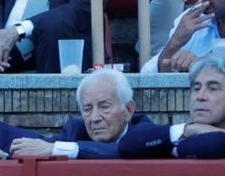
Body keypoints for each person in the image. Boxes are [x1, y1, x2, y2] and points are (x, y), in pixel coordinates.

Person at [10, 66, 145, 158]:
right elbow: (40, 147)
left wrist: (59, 149)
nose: (94, 118)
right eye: (87, 109)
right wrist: (1, 154)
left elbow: (124, 150)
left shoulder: (144, 132)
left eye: (104, 107)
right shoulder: (75, 131)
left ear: (128, 110)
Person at [115, 56, 225, 160]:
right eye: (196, 88)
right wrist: (186, 130)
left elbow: (214, 144)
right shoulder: (187, 131)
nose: (200, 96)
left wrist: (175, 148)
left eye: (213, 88)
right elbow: (127, 145)